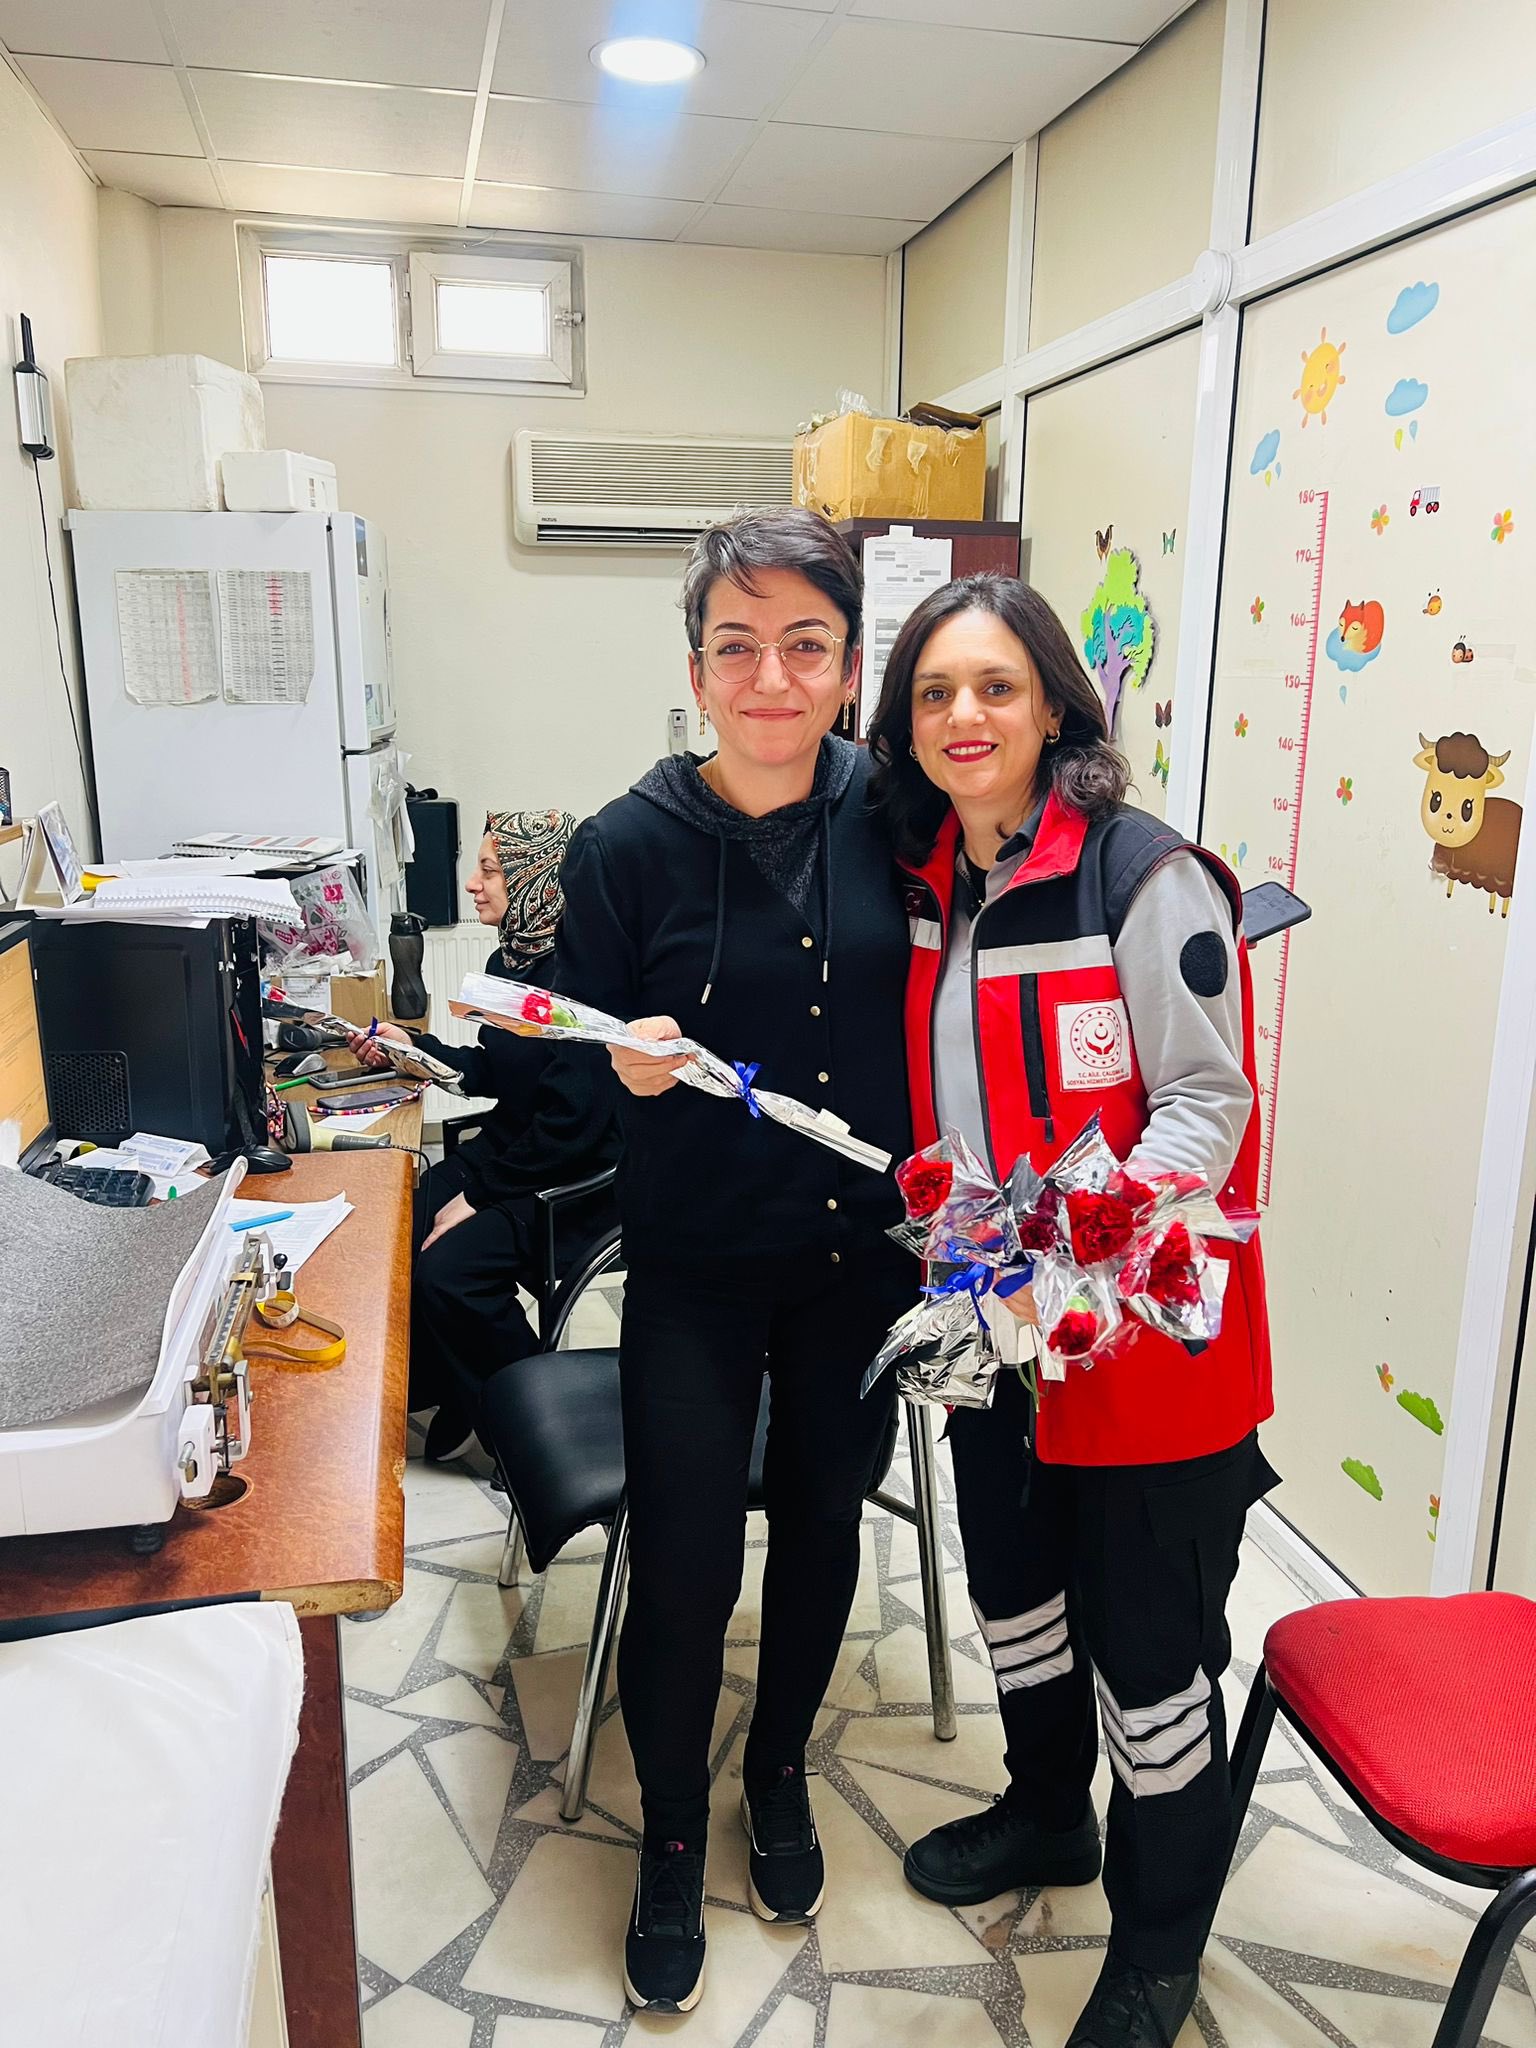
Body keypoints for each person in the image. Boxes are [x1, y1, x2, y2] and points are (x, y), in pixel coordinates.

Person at [866, 575, 1278, 2048]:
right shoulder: (928, 883)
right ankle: (1049, 1810)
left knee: (1151, 1663)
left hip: (1145, 1351)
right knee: (1017, 1600)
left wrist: (1075, 1248)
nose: (964, 716)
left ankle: (1159, 1948)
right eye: (934, 693)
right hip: (999, 1341)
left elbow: (1207, 1105)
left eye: (995, 686)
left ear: (1053, 705)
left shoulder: (1143, 877)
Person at [553, 509, 915, 2014]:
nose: (772, 678)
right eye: (737, 645)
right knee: (688, 1561)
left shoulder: (902, 809)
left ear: (851, 664)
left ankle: (776, 1771)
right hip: (696, 1260)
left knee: (825, 1527)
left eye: (806, 645)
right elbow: (558, 1068)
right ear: (695, 668)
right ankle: (666, 1830)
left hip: (858, 1260)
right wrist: (613, 1065)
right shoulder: (621, 848)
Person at [350, 810, 618, 1463]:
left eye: (491, 870)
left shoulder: (588, 979)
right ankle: (456, 1390)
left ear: (537, 879)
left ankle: (542, 1432)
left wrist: (477, 1195)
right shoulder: (512, 960)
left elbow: (574, 1120)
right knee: (396, 1228)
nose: (473, 883)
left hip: (573, 1180)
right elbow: (497, 1069)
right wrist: (416, 1050)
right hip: (518, 1153)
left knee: (449, 1274)